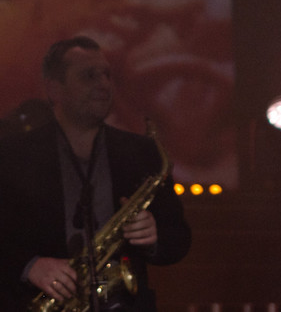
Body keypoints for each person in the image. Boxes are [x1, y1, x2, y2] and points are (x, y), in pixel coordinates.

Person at [0, 36, 191, 311]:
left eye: (106, 75)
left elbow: (179, 239)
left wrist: (154, 236)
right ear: (54, 89)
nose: (103, 84)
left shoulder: (144, 153)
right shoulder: (12, 155)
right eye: (89, 76)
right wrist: (30, 266)